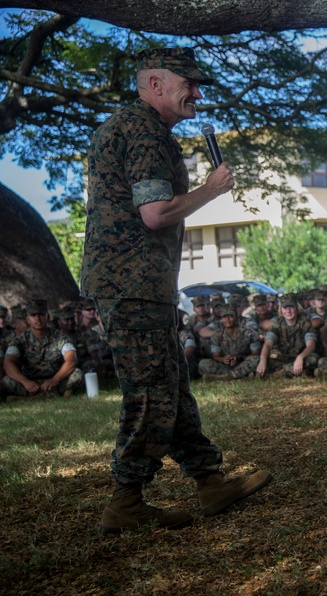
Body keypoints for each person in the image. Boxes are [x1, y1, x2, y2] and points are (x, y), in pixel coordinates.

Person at [81, 48, 271, 534]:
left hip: (137, 282)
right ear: (156, 84)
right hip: (133, 282)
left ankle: (210, 481)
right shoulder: (143, 129)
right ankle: (125, 499)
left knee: (171, 386)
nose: (199, 93)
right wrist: (211, 189)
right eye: (190, 82)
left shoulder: (129, 127)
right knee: (151, 392)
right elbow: (156, 213)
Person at [2, 299, 83, 399]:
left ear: (47, 317)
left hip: (55, 380)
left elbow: (72, 360)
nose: (37, 319)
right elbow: (8, 363)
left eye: (41, 314)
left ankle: (29, 398)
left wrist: (55, 380)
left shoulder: (60, 337)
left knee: (77, 374)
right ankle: (57, 394)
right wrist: (25, 381)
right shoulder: (19, 340)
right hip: (30, 383)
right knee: (6, 380)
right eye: (33, 315)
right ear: (28, 319)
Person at [256, 295, 319, 377]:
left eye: (291, 307)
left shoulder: (305, 323)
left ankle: (276, 374)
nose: (288, 311)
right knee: (257, 360)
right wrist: (263, 360)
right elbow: (268, 344)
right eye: (285, 308)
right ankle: (297, 372)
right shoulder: (277, 324)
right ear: (281, 310)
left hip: (299, 358)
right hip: (281, 359)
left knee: (314, 358)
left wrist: (300, 357)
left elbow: (311, 346)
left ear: (296, 308)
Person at [198, 303, 261, 380]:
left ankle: (224, 377)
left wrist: (239, 357)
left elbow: (256, 354)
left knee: (256, 359)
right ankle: (241, 374)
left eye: (230, 316)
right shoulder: (217, 335)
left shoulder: (249, 333)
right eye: (224, 317)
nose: (227, 319)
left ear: (236, 317)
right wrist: (223, 359)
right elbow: (216, 356)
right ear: (221, 319)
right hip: (226, 366)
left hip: (243, 362)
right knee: (203, 363)